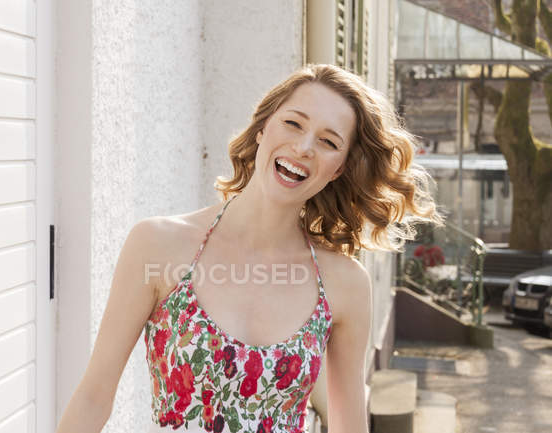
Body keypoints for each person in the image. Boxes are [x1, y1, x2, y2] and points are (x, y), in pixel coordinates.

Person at [55, 63, 444, 433]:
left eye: (328, 142)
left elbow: (348, 427)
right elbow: (94, 396)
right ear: (263, 129)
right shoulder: (158, 246)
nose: (304, 146)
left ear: (339, 168)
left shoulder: (345, 284)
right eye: (293, 123)